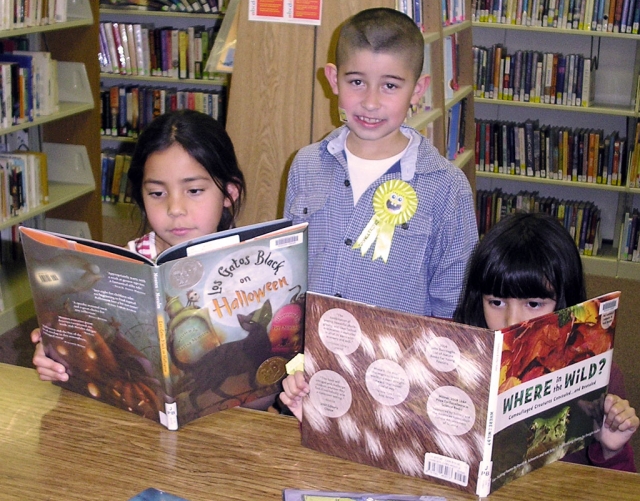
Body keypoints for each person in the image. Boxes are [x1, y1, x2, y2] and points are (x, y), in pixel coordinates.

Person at [282, 212, 639, 472]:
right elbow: (388, 445)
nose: (513, 321)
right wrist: (318, 416)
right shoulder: (443, 352)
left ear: (565, 302)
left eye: (533, 303)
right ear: (477, 298)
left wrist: (611, 451)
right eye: (496, 302)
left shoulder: (602, 377)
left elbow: (613, 488)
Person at [283, 7, 478, 318]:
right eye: (357, 82)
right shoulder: (305, 165)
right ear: (334, 79)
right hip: (313, 357)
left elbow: (452, 302)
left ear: (417, 91)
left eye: (390, 86)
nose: (370, 102)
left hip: (396, 362)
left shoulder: (446, 188)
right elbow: (289, 269)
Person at [31, 109, 246, 382]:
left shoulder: (251, 265)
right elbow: (96, 358)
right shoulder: (125, 266)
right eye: (157, 193)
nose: (175, 208)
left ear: (229, 193)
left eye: (193, 191)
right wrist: (58, 356)